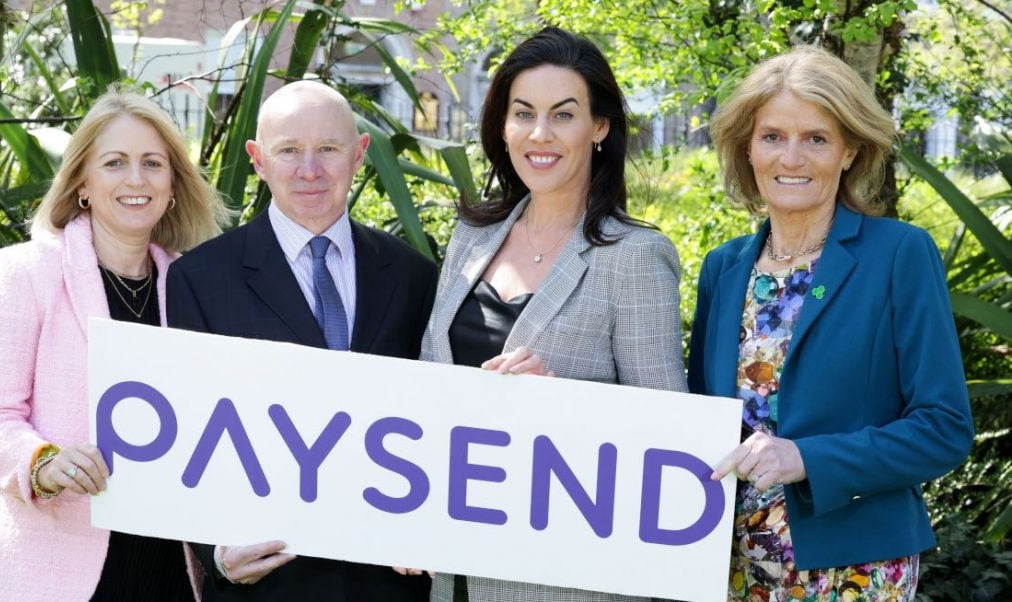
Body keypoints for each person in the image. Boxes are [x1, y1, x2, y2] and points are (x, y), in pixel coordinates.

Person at [689, 46, 974, 600]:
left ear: (848, 151)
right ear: (747, 148)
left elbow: (944, 429)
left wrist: (807, 457)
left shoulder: (899, 255)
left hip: (855, 570)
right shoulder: (723, 268)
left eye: (815, 138)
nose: (790, 158)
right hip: (728, 566)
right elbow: (695, 416)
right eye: (772, 136)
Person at [419, 26, 687, 602]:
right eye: (523, 113)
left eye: (563, 115)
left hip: (564, 585)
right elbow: (429, 391)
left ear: (600, 127)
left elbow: (668, 440)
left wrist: (562, 402)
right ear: (503, 125)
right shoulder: (473, 235)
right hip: (455, 575)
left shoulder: (636, 256)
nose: (539, 134)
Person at [165, 80, 436, 601]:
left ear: (359, 155)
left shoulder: (413, 276)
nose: (309, 170)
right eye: (288, 151)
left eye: (328, 150)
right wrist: (216, 553)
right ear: (258, 160)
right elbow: (186, 438)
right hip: (269, 583)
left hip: (388, 585)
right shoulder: (201, 280)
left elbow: (437, 420)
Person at [0, 88, 229, 601]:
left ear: (172, 182)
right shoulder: (26, 271)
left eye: (153, 163)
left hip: (170, 571)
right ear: (83, 181)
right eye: (115, 163)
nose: (136, 179)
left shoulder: (193, 286)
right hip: (53, 569)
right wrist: (42, 461)